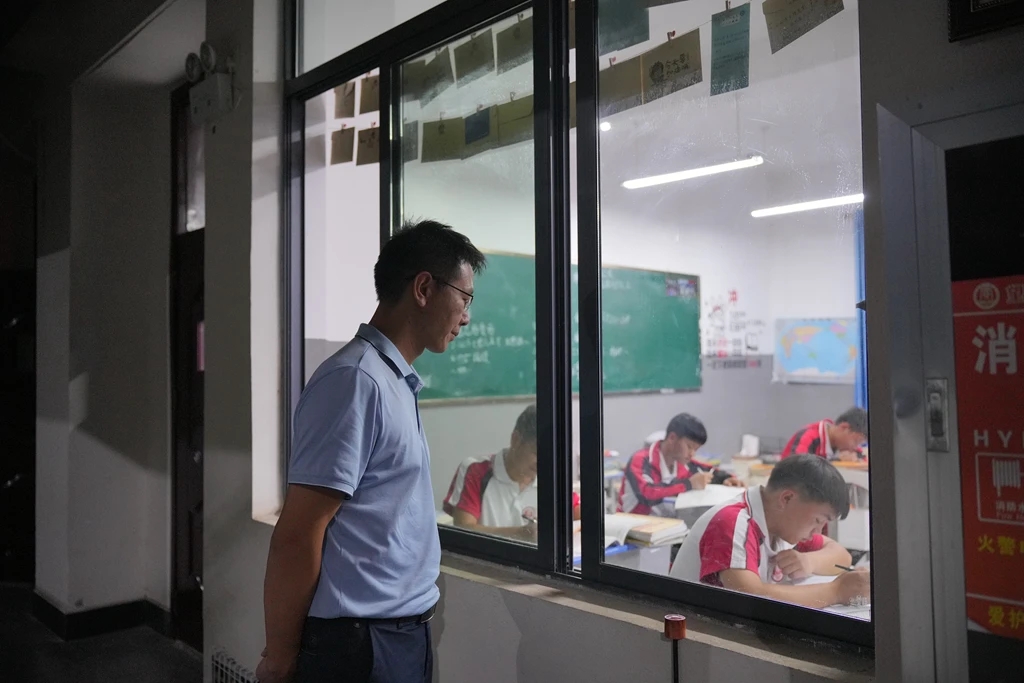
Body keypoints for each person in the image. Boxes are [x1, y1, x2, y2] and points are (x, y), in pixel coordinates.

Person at [256, 220, 486, 683]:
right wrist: (280, 656)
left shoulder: (391, 379)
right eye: (465, 299)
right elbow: (299, 533)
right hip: (360, 645)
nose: (466, 317)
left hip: (398, 635)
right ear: (424, 288)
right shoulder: (355, 381)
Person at [669, 455, 870, 609]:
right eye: (818, 521)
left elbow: (842, 557)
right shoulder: (733, 522)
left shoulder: (781, 522)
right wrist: (836, 592)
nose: (817, 531)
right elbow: (751, 598)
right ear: (787, 499)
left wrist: (809, 561)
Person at [443, 404, 581, 541]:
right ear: (515, 440)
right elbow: (464, 529)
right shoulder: (476, 470)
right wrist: (520, 534)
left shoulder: (551, 477)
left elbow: (576, 512)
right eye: (537, 453)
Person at [617, 413, 743, 517]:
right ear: (672, 438)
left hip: (664, 526)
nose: (692, 454)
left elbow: (707, 470)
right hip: (632, 526)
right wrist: (688, 484)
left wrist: (726, 479)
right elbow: (647, 493)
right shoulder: (641, 459)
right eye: (689, 447)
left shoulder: (681, 462)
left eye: (696, 449)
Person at [781, 407, 868, 462]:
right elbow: (796, 467)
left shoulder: (845, 445)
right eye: (856, 441)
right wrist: (837, 461)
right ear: (843, 427)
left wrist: (856, 460)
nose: (855, 447)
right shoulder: (809, 437)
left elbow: (864, 461)